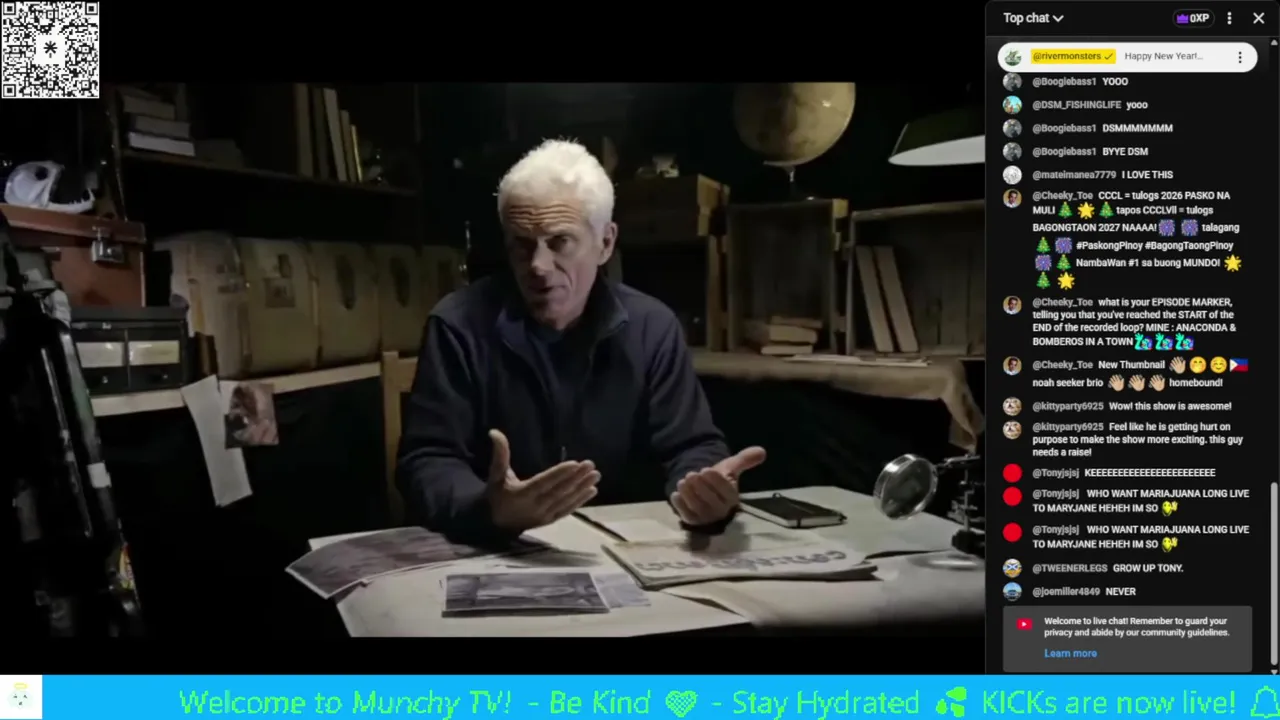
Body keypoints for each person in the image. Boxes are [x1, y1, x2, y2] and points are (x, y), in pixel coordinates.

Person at [397, 139, 766, 539]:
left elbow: (691, 446)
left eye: (560, 242)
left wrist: (700, 490)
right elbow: (427, 460)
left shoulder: (653, 327)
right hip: (500, 545)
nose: (538, 266)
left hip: (626, 546)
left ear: (605, 243)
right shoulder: (458, 325)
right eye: (521, 245)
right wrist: (487, 506)